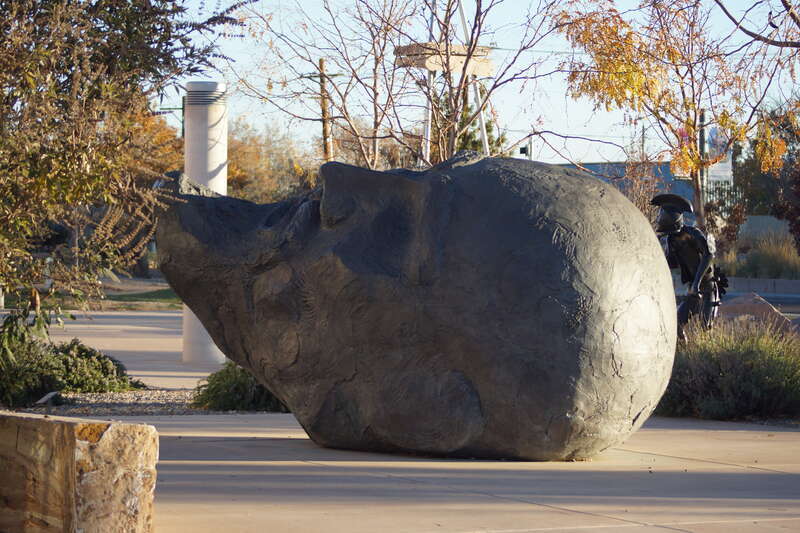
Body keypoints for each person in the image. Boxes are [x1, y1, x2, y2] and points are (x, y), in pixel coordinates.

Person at [650, 194, 726, 339]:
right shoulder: (671, 240)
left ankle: (705, 356)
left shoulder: (692, 234)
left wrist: (697, 284)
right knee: (677, 324)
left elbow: (708, 255)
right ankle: (685, 352)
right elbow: (671, 263)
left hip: (707, 288)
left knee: (705, 327)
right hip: (692, 290)